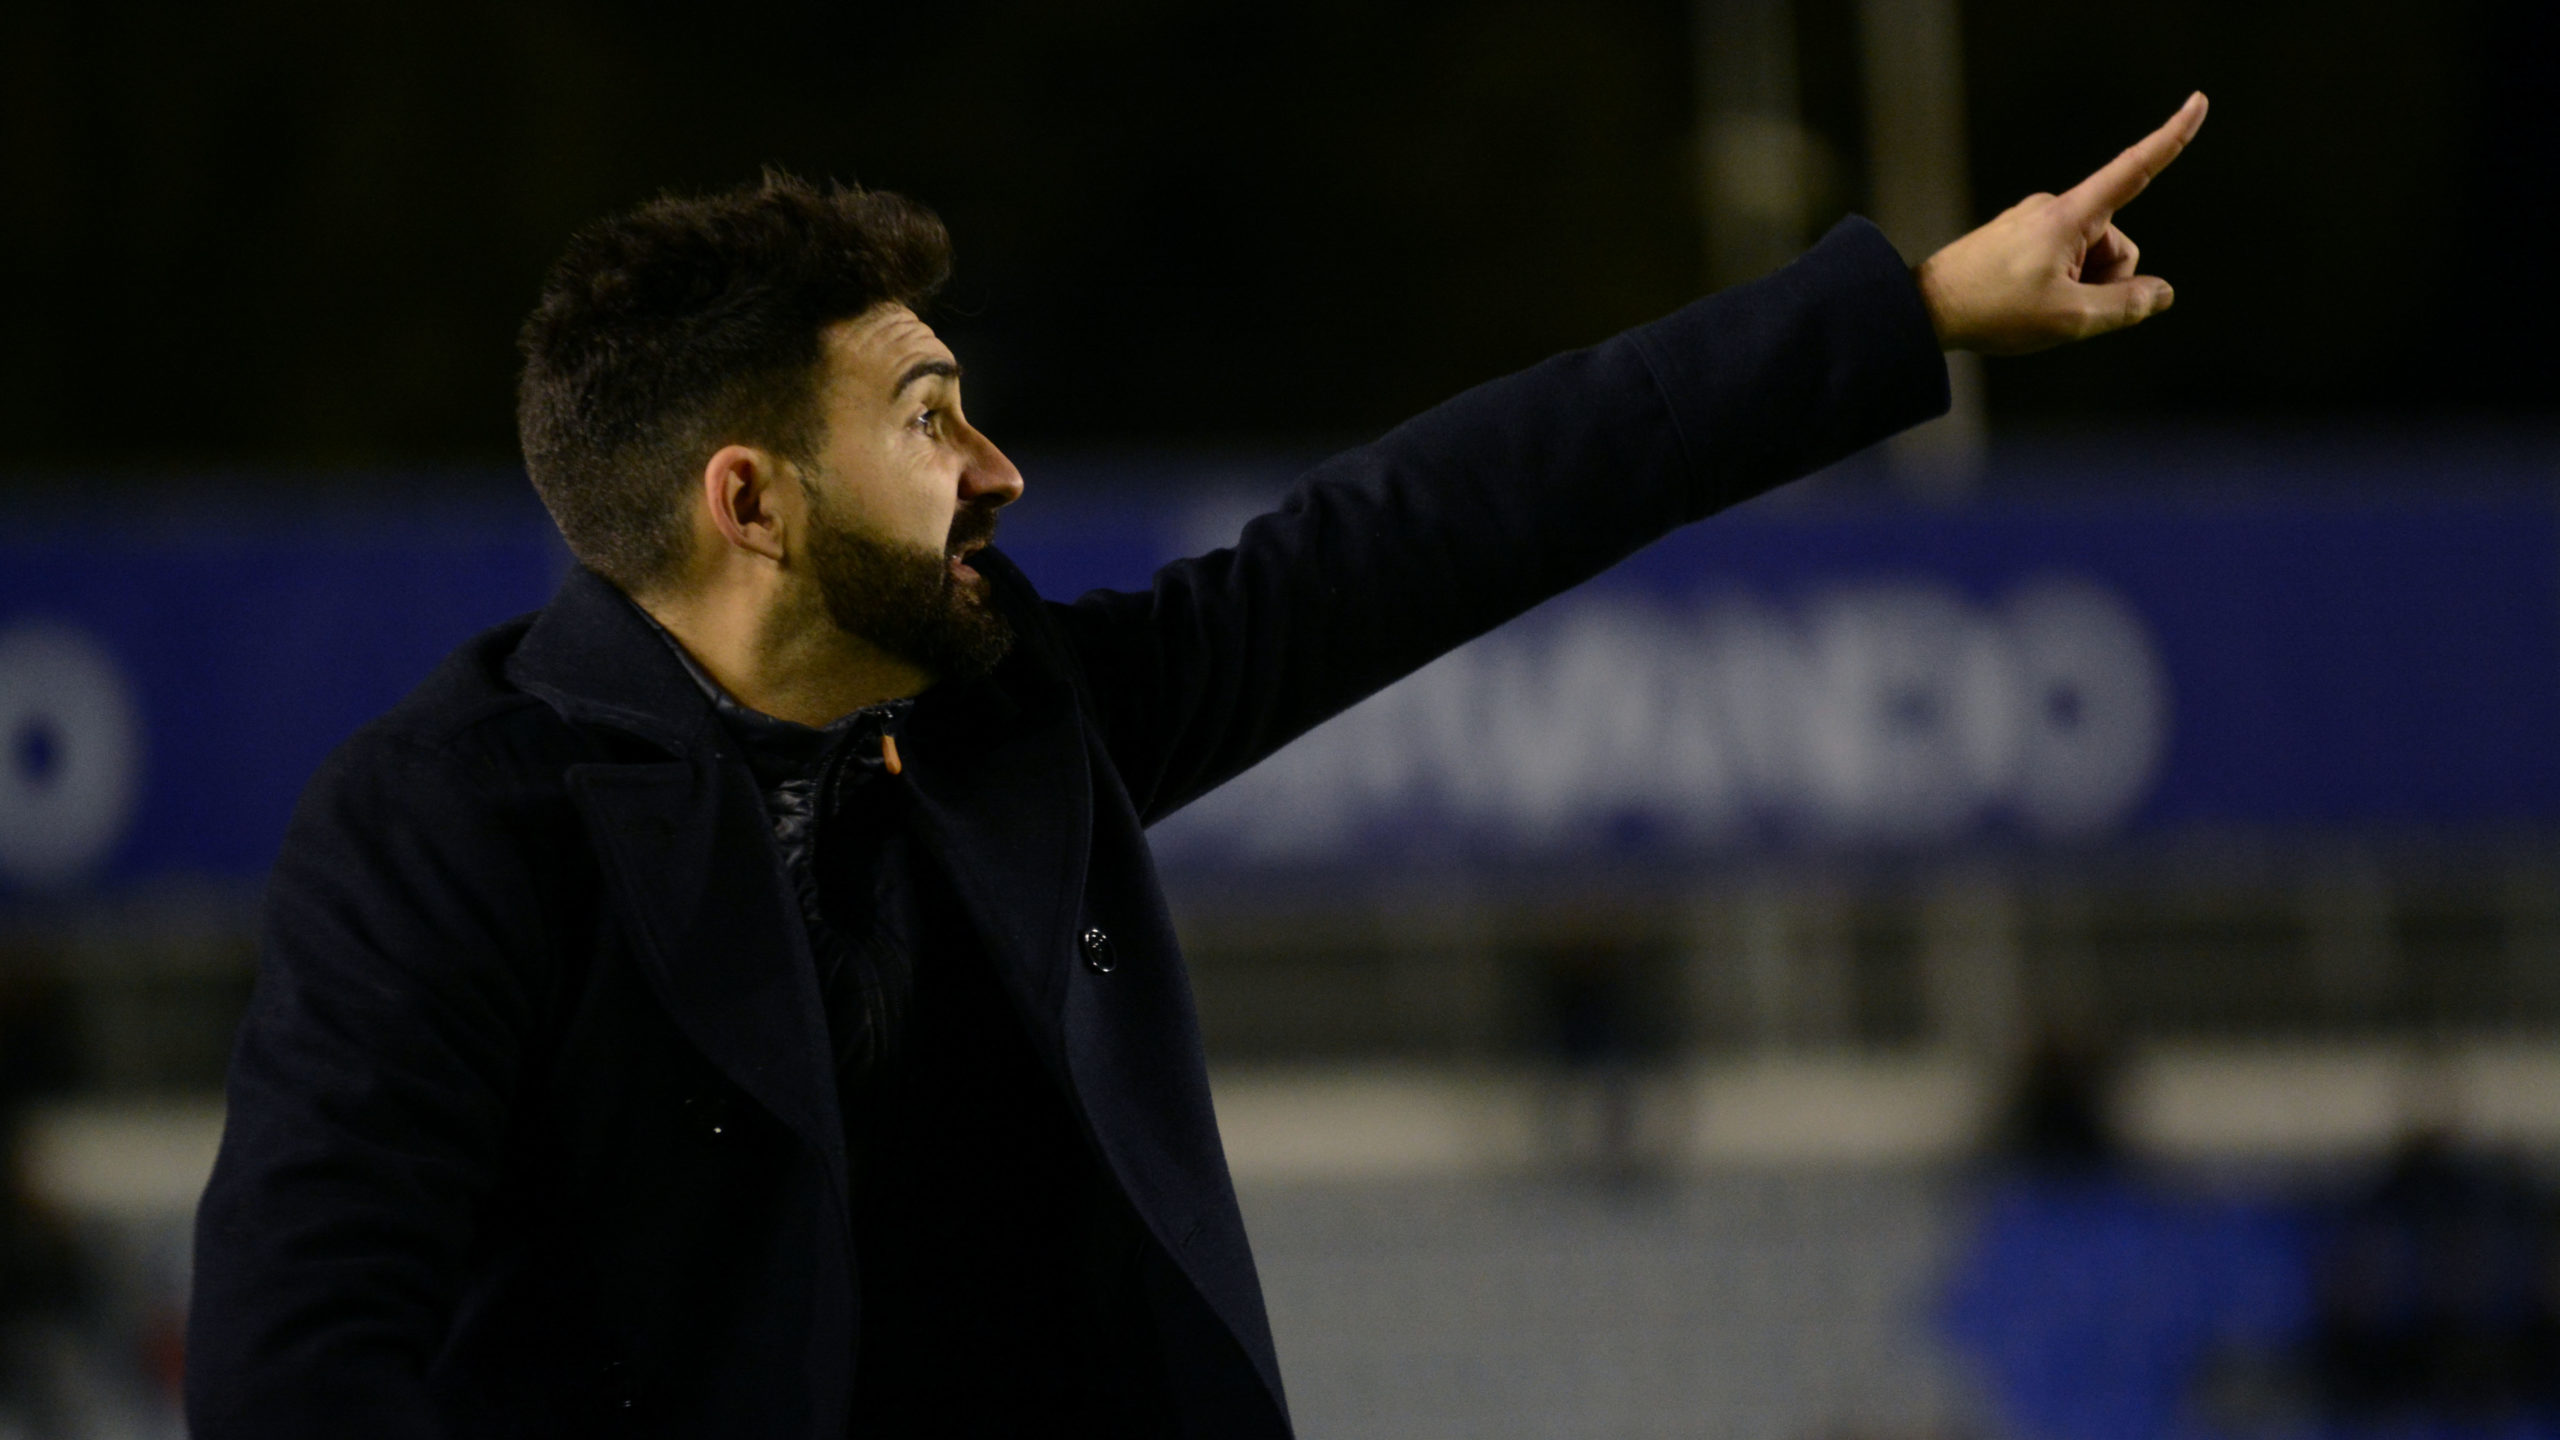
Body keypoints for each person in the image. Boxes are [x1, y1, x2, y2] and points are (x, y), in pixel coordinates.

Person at [185, 95, 2210, 1439]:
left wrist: (1910, 312)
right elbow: (303, 1365)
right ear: (751, 501)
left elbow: (1436, 526)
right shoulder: (452, 822)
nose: (997, 470)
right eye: (928, 417)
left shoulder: (1011, 726)